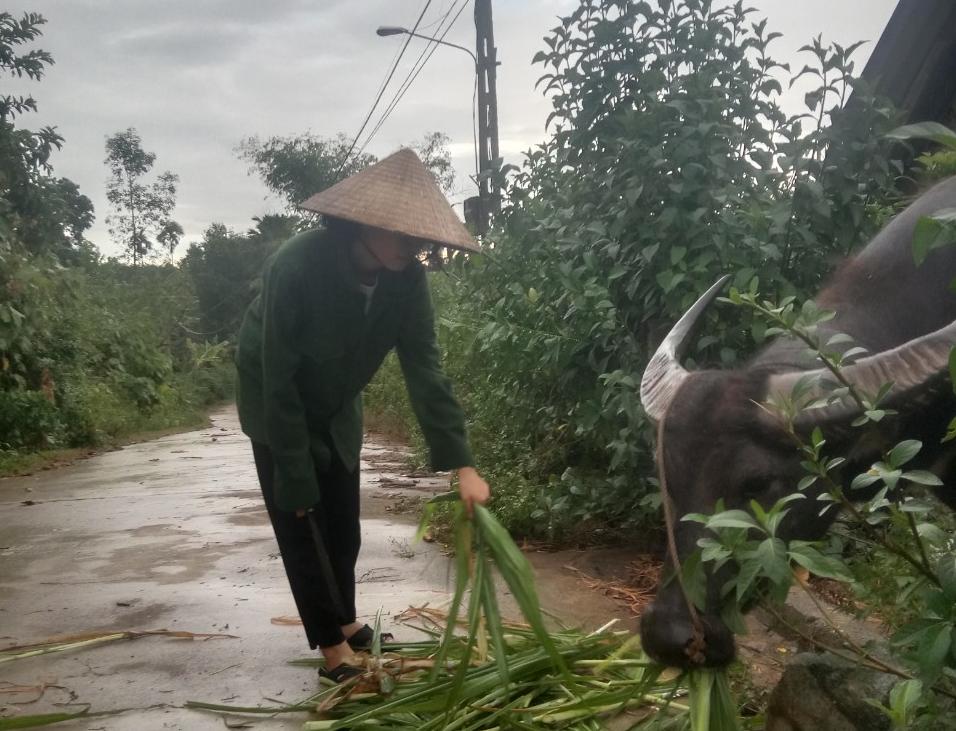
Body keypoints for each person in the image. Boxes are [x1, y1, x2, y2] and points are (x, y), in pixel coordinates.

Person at [235, 148, 490, 682]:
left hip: (337, 402)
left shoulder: (405, 282)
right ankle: (332, 650)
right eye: (404, 236)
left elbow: (426, 369)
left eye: (420, 239)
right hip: (274, 401)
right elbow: (276, 377)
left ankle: (346, 622)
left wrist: (461, 463)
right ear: (361, 225)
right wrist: (294, 470)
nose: (414, 248)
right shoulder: (295, 267)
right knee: (302, 518)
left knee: (343, 525)